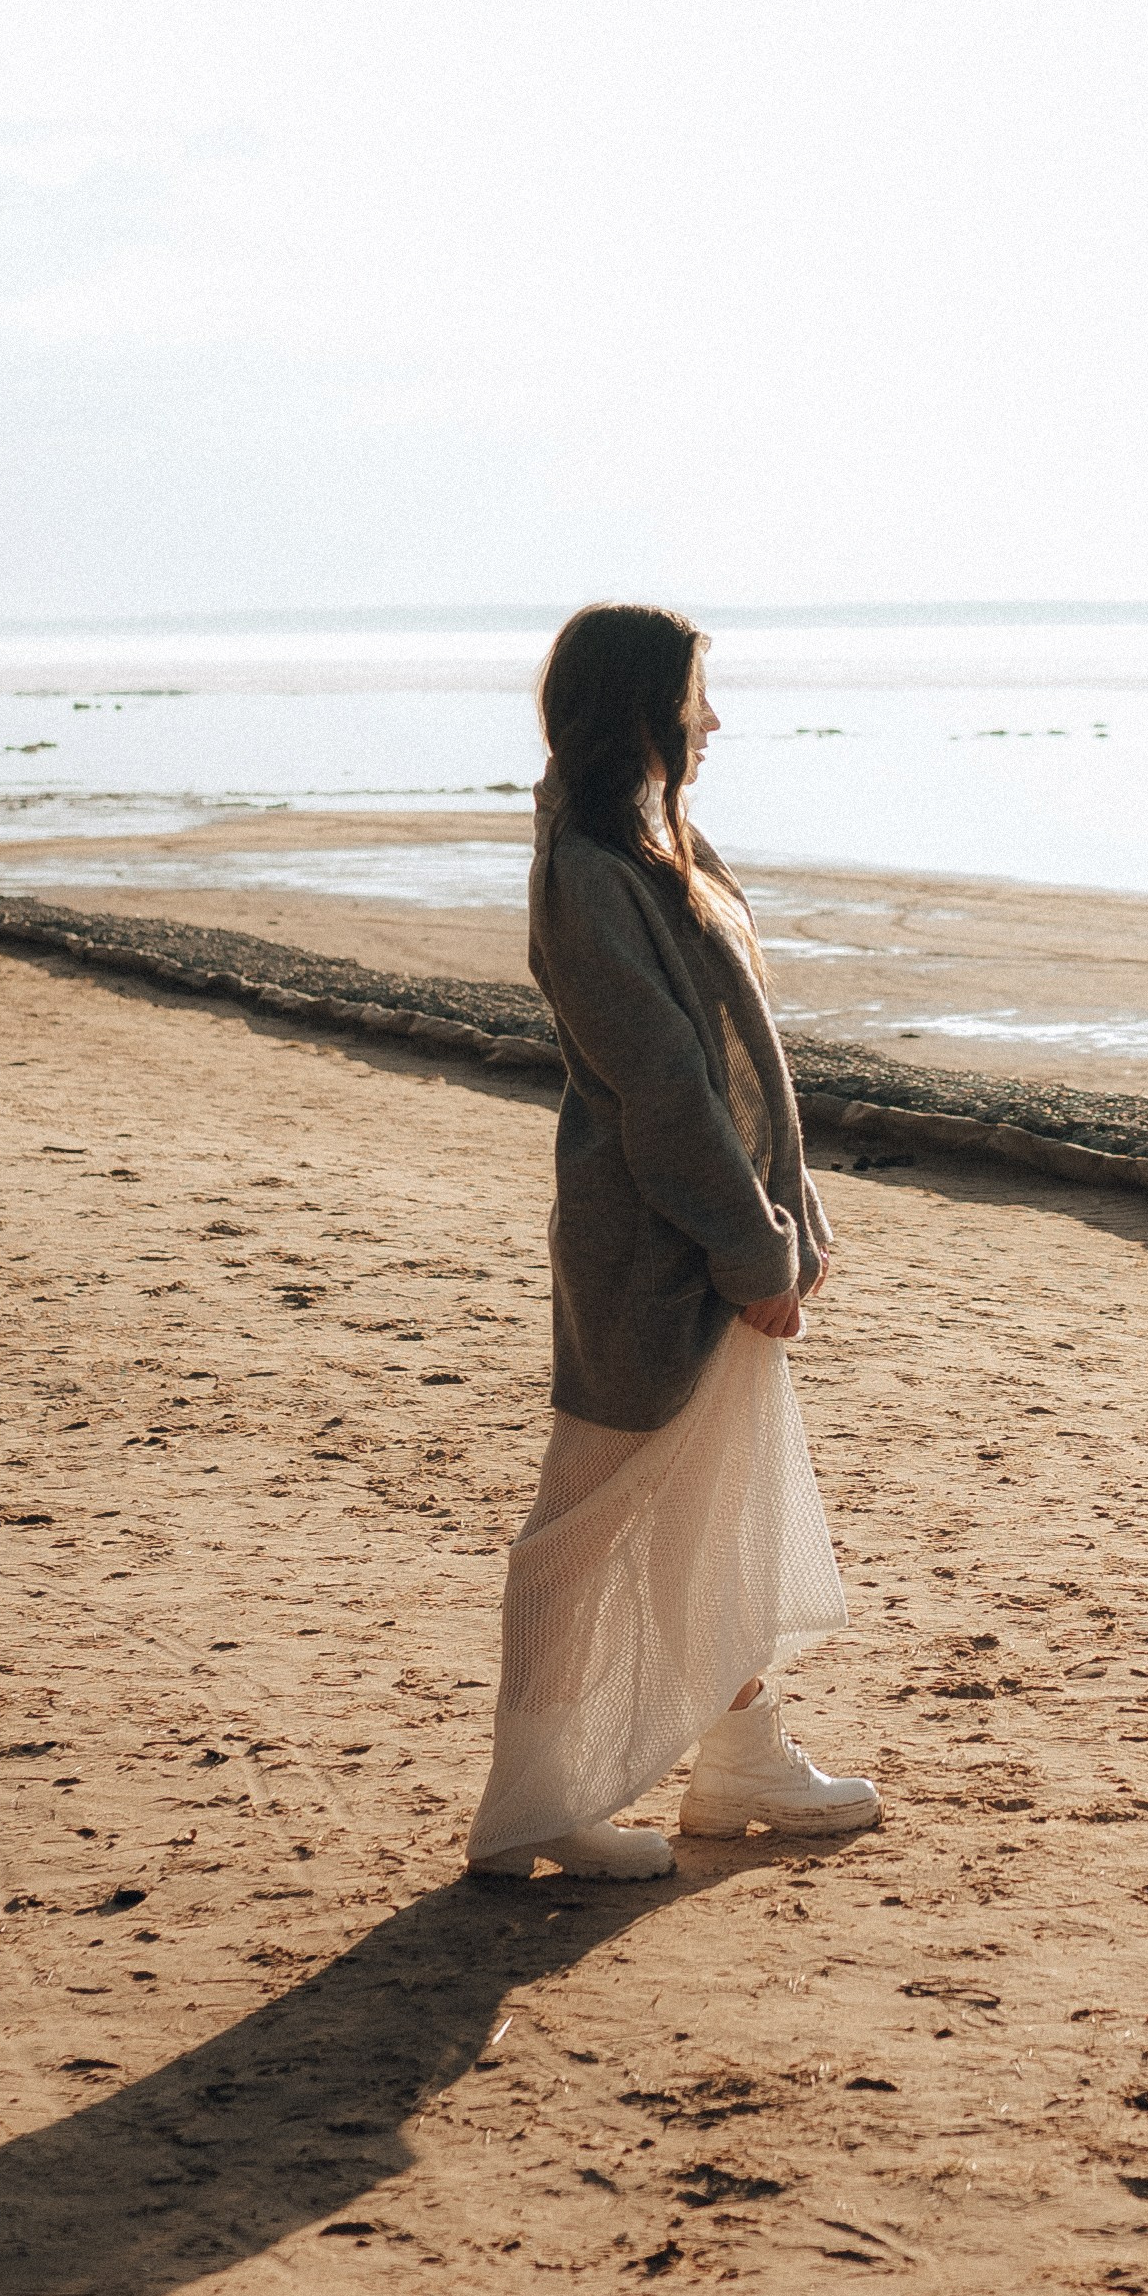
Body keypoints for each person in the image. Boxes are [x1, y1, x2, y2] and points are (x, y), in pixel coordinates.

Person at [466, 603, 880, 1880]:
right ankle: (528, 1809)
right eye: (698, 692)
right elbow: (664, 1091)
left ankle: (745, 1755)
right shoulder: (590, 868)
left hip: (711, 1240)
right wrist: (753, 1252)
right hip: (656, 1255)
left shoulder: (650, 843)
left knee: (708, 1518)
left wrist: (784, 1225)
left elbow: (734, 1068)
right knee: (581, 1530)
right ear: (641, 704)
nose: (713, 717)